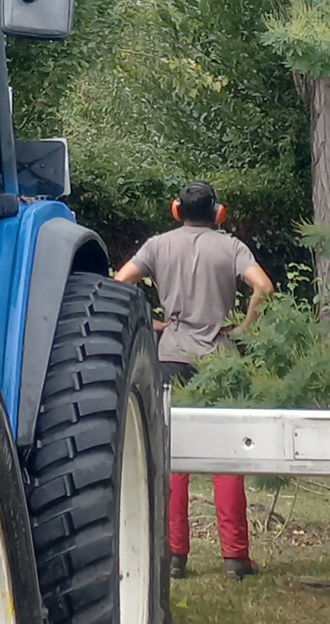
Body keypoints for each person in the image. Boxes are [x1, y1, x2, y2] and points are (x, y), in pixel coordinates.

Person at [114, 180, 277, 580]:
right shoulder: (232, 248)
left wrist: (153, 323)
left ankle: (173, 555)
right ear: (218, 213)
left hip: (171, 355)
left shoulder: (156, 245)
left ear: (176, 210)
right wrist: (244, 326)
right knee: (226, 457)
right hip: (218, 358)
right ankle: (236, 557)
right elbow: (264, 287)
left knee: (172, 457)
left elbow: (119, 284)